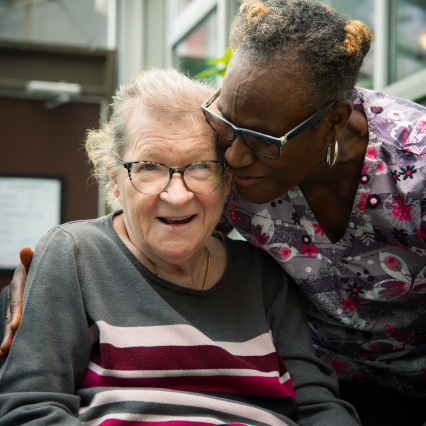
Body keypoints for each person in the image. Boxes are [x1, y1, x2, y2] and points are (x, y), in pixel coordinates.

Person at [2, 0, 426, 424]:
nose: (236, 158)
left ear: (332, 122)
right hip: (323, 373)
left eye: (261, 139)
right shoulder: (223, 172)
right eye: (226, 126)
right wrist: (45, 275)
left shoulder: (416, 169)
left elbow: (318, 404)